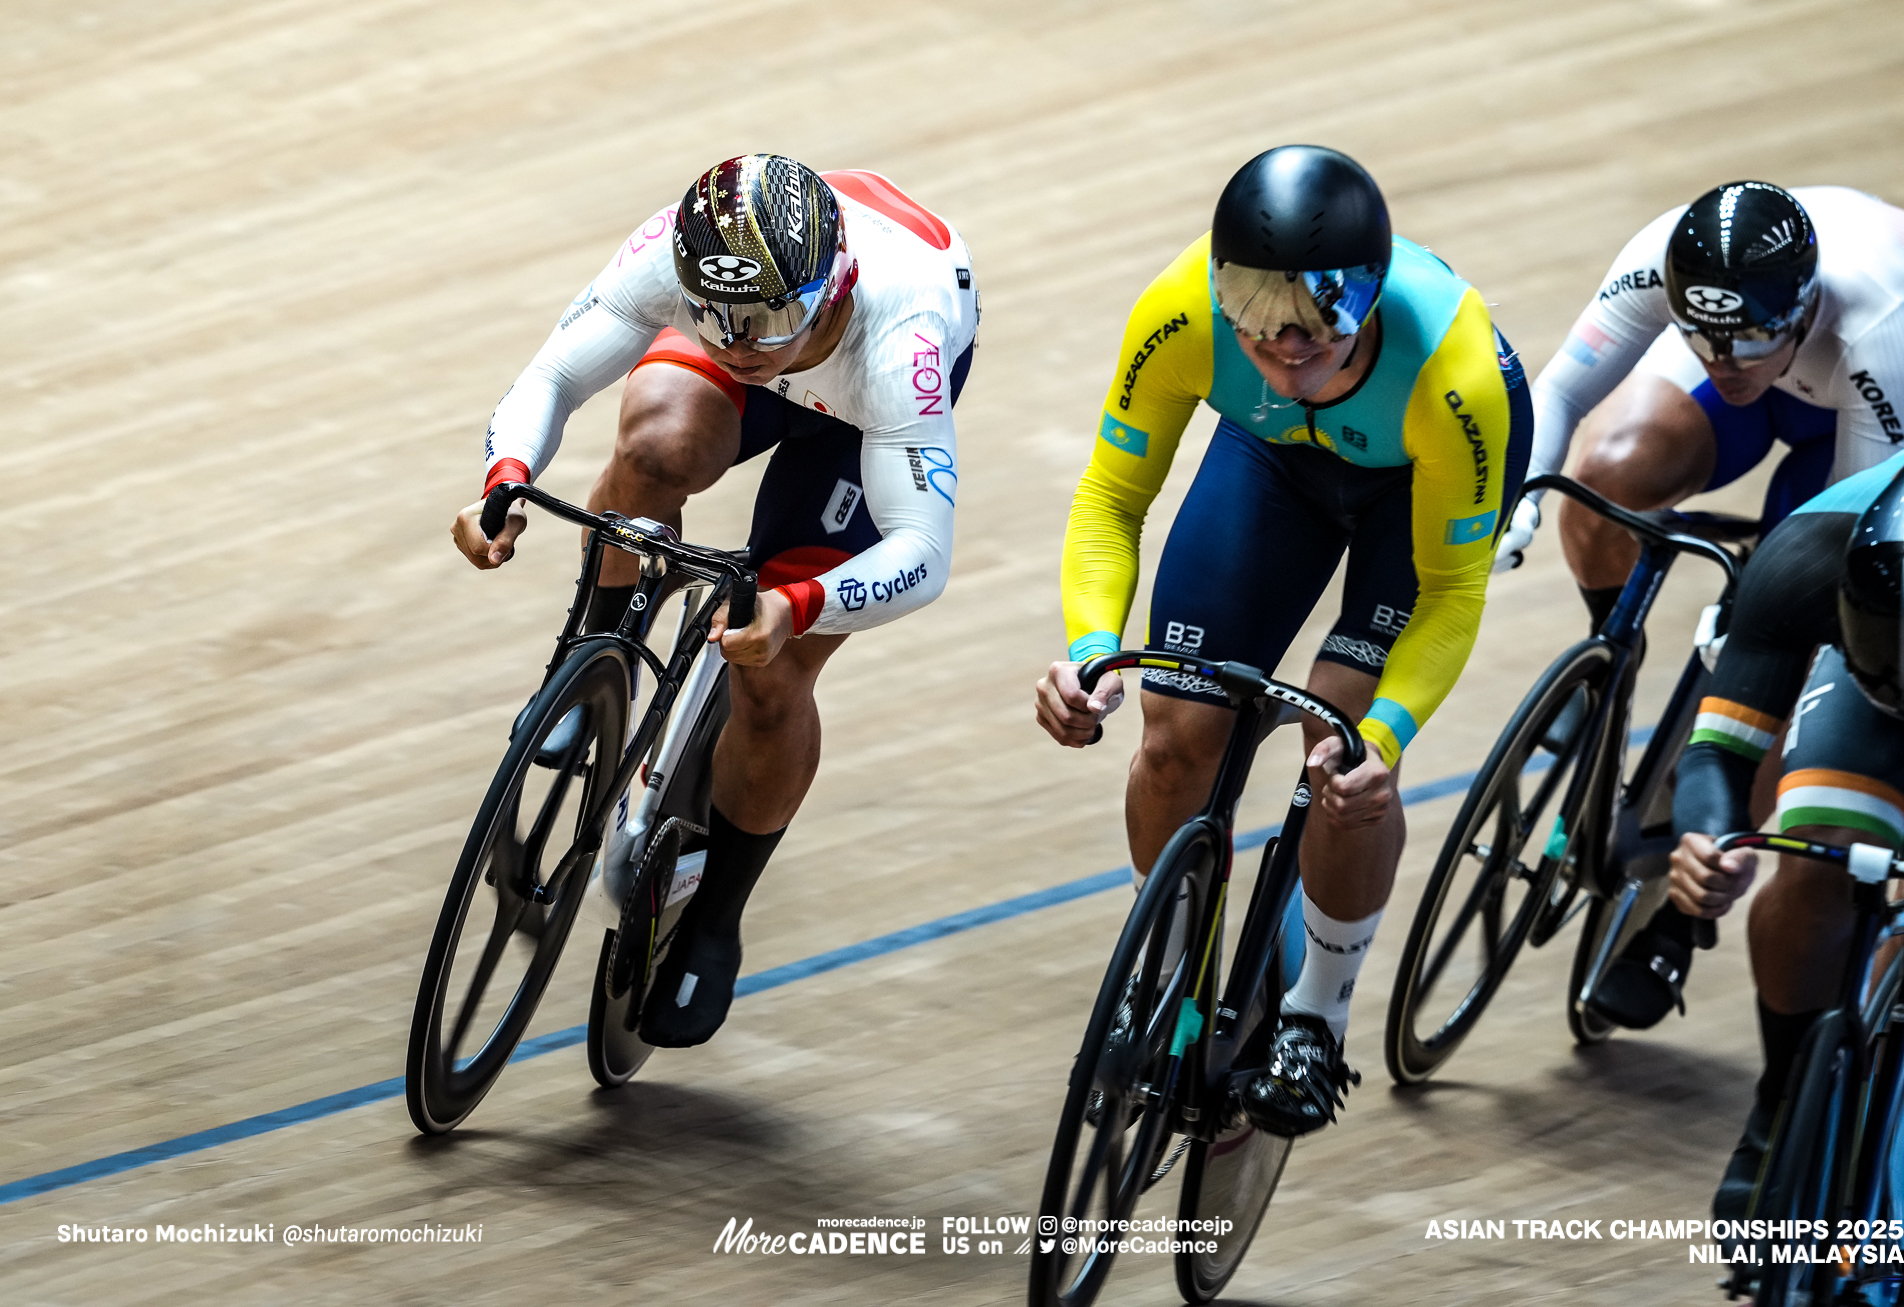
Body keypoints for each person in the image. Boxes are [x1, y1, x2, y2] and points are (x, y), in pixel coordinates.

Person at [1034, 145, 1531, 1136]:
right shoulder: (1182, 311)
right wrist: (1089, 648)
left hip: (1410, 501)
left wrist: (1386, 735)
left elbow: (1449, 589)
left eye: (1314, 333)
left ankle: (1316, 1015)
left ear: (1371, 299)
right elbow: (1110, 496)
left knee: (1338, 753)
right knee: (1177, 731)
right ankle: (1163, 960)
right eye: (1258, 334)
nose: (1285, 354)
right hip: (1271, 464)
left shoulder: (1455, 375)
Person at [450, 154, 979, 1046]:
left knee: (770, 677)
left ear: (834, 282)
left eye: (766, 320)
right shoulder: (684, 259)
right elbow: (553, 375)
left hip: (854, 405)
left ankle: (717, 916)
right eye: (717, 316)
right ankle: (603, 647)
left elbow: (921, 552)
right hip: (798, 326)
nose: (740, 342)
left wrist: (797, 608)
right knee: (652, 448)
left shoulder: (904, 338)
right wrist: (505, 481)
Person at [1509, 181, 1904, 1029]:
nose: (1727, 364)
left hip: (1890, 421)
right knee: (1607, 472)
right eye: (1705, 340)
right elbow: (1559, 393)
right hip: (1799, 366)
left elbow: (1845, 528)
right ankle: (1614, 656)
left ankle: (1682, 916)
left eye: (1748, 343)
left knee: (1802, 666)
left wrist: (1765, 619)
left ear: (1802, 306)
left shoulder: (1881, 311)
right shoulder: (1674, 269)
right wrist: (1522, 497)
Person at [1665, 432, 1904, 1307]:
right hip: (1868, 689)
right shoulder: (1804, 555)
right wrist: (1706, 844)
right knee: (1815, 848)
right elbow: (1715, 755)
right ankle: (1784, 1097)